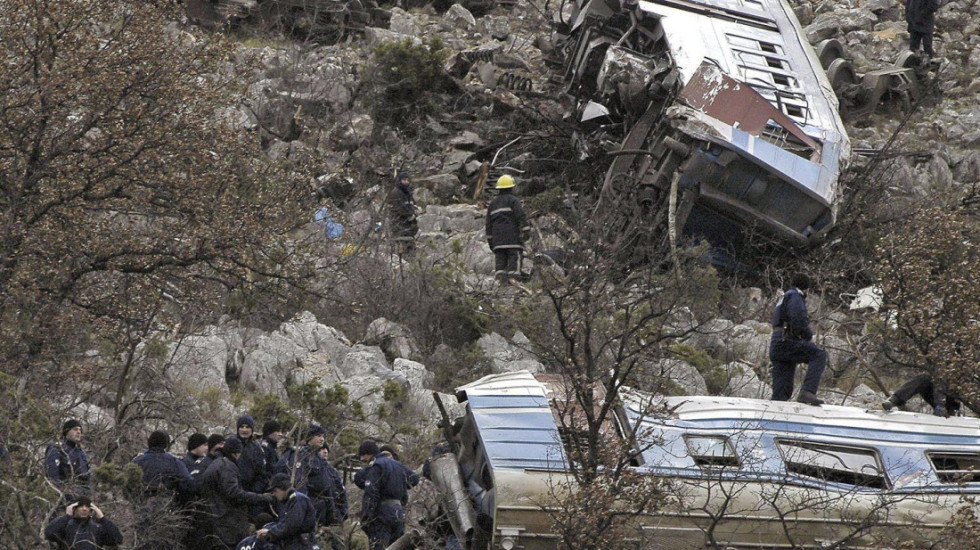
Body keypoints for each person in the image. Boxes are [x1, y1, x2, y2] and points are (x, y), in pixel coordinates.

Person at [200, 436, 277, 549]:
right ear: (236, 453)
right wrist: (262, 498)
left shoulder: (216, 463)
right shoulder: (227, 466)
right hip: (226, 523)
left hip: (216, 521)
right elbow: (234, 494)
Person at [769, 274, 827, 406]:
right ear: (806, 289)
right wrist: (809, 336)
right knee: (819, 355)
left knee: (782, 393)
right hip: (786, 341)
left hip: (777, 344)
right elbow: (798, 319)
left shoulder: (784, 297)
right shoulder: (795, 296)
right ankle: (808, 391)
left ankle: (775, 411)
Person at [276, 424, 346, 530]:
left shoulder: (317, 457)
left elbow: (327, 484)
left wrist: (332, 512)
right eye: (318, 436)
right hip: (311, 504)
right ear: (310, 437)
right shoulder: (302, 455)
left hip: (322, 506)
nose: (322, 439)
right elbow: (300, 484)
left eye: (323, 436)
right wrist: (305, 508)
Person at [133, 430, 196, 549]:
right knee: (165, 542)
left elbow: (127, 484)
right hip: (165, 506)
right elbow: (190, 484)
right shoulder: (173, 461)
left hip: (141, 507)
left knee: (142, 542)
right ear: (165, 444)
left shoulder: (137, 461)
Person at [357, 439, 420, 550]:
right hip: (398, 512)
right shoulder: (398, 465)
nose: (363, 460)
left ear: (367, 454)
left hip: (382, 513)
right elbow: (414, 478)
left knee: (379, 545)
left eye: (363, 457)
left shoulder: (377, 466)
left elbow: (371, 492)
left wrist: (366, 517)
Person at [485, 175, 530, 284]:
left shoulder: (492, 204)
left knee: (500, 267)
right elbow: (521, 216)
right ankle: (514, 288)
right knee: (514, 266)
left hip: (498, 242)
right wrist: (526, 231)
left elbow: (488, 225)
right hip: (513, 240)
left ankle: (501, 288)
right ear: (511, 188)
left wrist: (491, 243)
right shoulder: (514, 201)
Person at [256, 473, 318, 550]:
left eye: (275, 490)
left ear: (282, 487)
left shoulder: (297, 499)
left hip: (302, 544)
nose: (274, 494)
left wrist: (270, 532)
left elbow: (291, 525)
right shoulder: (288, 502)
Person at [45, 497, 123, 550]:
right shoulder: (65, 526)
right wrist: (67, 516)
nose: (84, 509)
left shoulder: (97, 528)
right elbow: (49, 534)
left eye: (87, 506)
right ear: (74, 508)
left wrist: (102, 518)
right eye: (81, 506)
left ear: (91, 510)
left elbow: (117, 539)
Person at [45, 419, 91, 506]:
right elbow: (52, 474)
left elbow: (86, 477)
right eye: (75, 429)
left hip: (80, 499)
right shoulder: (57, 448)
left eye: (80, 430)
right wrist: (60, 495)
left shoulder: (81, 453)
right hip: (61, 498)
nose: (78, 432)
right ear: (66, 431)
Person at [234, 414, 270, 521]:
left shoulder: (256, 448)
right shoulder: (231, 445)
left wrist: (255, 492)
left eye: (247, 427)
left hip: (253, 495)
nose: (244, 430)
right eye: (242, 427)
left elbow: (262, 474)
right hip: (234, 493)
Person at [882, 374, 960, 417]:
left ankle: (943, 409)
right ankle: (894, 399)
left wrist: (941, 404)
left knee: (943, 380)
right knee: (923, 379)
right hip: (937, 395)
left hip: (951, 400)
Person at [387, 170, 420, 256]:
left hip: (409, 227)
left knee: (411, 249)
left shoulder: (408, 193)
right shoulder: (395, 193)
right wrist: (411, 215)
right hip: (399, 226)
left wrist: (415, 209)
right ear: (399, 180)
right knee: (402, 250)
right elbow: (400, 209)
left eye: (408, 180)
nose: (406, 182)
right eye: (404, 180)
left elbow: (412, 204)